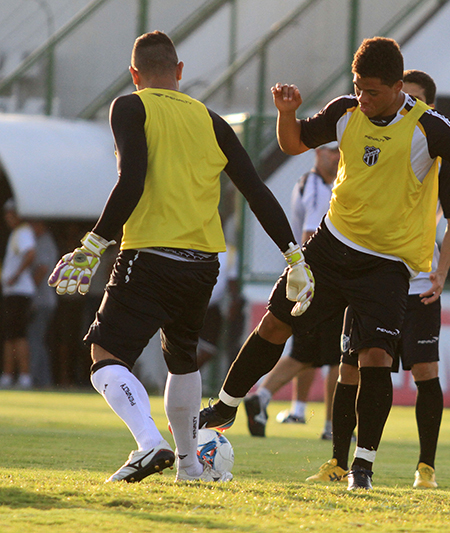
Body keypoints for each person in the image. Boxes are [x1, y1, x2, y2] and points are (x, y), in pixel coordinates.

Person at [199, 37, 450, 491]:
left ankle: (363, 466)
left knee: (374, 358)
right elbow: (294, 142)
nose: (363, 97)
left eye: (372, 90)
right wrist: (286, 113)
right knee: (277, 322)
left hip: (387, 265)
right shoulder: (345, 112)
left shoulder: (429, 127)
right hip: (332, 247)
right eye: (357, 86)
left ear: (398, 87)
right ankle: (225, 405)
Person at [47, 31, 313, 484]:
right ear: (180, 72)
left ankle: (150, 444)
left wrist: (93, 245)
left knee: (105, 353)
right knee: (183, 358)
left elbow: (131, 181)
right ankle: (191, 467)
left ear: (134, 75)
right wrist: (295, 257)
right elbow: (256, 191)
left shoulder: (130, 106)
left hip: (150, 253)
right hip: (203, 263)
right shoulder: (212, 120)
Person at [306, 70, 450, 489]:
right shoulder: (368, 134)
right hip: (368, 278)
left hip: (415, 282)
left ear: (428, 105)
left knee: (426, 371)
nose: (403, 108)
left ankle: (425, 467)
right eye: (402, 97)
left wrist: (441, 272)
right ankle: (340, 461)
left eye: (414, 100)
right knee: (350, 370)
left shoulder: (435, 151)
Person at [242, 142, 342, 439]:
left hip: (311, 277)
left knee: (306, 353)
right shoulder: (317, 187)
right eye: (330, 151)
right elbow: (310, 234)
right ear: (317, 153)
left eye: (340, 151)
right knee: (339, 355)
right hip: (322, 278)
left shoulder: (314, 184)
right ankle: (332, 426)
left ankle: (263, 397)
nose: (336, 157)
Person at [0, 200, 37, 389]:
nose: (7, 217)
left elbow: (30, 254)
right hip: (13, 292)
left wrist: (15, 276)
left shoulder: (23, 231)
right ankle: (9, 375)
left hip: (19, 291)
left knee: (18, 335)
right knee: (10, 335)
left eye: (10, 213)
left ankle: (23, 376)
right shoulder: (18, 232)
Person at [28, 220, 59, 388]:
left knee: (35, 339)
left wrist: (29, 293)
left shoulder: (44, 242)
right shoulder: (38, 240)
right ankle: (42, 379)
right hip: (41, 300)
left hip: (43, 300)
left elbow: (42, 269)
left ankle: (38, 379)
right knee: (37, 339)